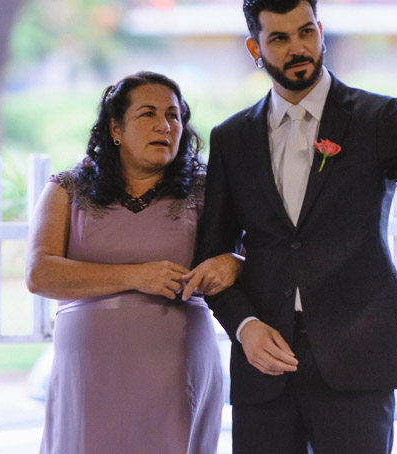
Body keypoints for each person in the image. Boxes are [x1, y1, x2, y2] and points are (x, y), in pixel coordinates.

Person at [193, 0, 397, 454]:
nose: (297, 47)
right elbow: (213, 254)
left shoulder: (376, 117)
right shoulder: (231, 139)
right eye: (279, 38)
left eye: (306, 31)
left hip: (357, 355)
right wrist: (244, 327)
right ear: (255, 49)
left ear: (321, 31)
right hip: (264, 361)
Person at [26, 71, 239, 454]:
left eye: (174, 116)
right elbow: (40, 274)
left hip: (177, 367)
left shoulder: (208, 189)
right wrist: (136, 276)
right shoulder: (66, 189)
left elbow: (255, 254)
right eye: (148, 114)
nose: (164, 125)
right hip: (88, 372)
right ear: (116, 128)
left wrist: (234, 262)